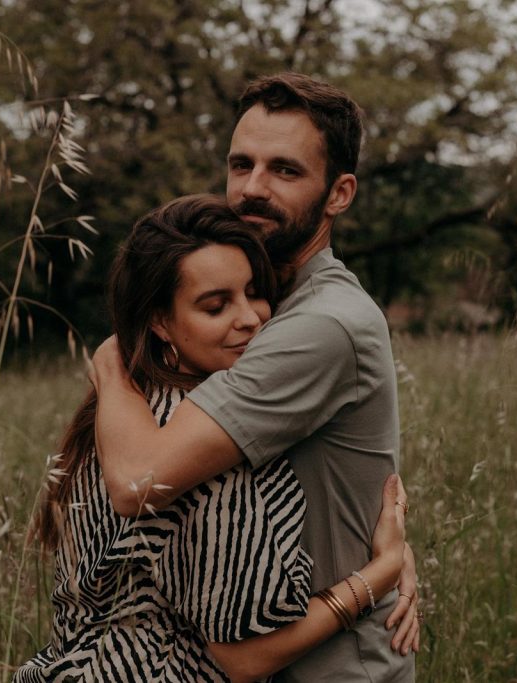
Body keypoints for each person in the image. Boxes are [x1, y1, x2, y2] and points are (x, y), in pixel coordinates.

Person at [91, 74, 419, 681]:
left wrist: (112, 361)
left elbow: (139, 482)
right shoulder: (259, 309)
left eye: (285, 171)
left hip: (330, 670)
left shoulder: (322, 324)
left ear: (339, 192)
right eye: (241, 164)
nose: (251, 189)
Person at [14, 195, 413, 682]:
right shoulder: (201, 461)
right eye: (216, 305)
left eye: (253, 291)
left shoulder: (125, 408)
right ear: (160, 321)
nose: (250, 318)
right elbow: (244, 659)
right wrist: (379, 575)